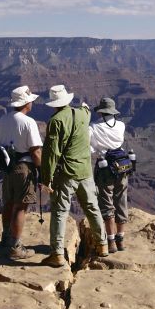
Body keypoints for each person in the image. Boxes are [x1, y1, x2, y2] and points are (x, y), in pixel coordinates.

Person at [39, 84, 108, 267]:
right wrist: (84, 105)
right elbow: (87, 109)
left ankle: (57, 254)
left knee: (60, 212)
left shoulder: (56, 121)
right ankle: (103, 245)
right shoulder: (83, 114)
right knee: (92, 208)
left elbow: (51, 153)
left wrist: (46, 179)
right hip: (85, 171)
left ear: (54, 103)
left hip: (66, 174)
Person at [0, 85, 42, 260]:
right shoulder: (28, 122)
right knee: (21, 206)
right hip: (23, 168)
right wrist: (42, 170)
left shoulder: (3, 120)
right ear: (26, 103)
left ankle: (6, 238)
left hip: (7, 168)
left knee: (9, 202)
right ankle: (16, 246)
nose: (32, 104)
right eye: (31, 101)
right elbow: (35, 151)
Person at [89, 97, 129, 254]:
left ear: (101, 111)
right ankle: (121, 240)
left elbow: (91, 148)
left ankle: (111, 241)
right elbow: (119, 142)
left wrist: (98, 149)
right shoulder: (121, 125)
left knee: (106, 203)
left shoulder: (93, 126)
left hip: (105, 168)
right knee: (121, 201)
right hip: (122, 166)